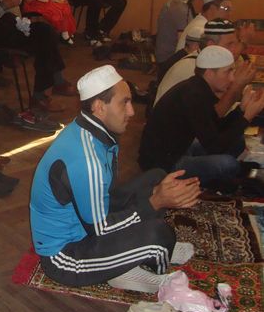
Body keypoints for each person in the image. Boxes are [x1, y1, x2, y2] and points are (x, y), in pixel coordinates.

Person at [30, 65, 201, 292]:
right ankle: (127, 267)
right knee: (159, 234)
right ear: (99, 107)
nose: (131, 111)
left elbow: (103, 199)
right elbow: (100, 230)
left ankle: (125, 259)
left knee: (156, 178)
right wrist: (155, 202)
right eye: (124, 103)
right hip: (67, 256)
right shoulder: (86, 160)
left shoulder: (91, 130)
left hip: (86, 225)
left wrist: (154, 197)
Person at [139, 46, 264, 186]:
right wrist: (246, 118)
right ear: (209, 73)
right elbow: (215, 146)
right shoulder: (193, 95)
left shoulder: (198, 88)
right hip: (164, 165)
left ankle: (217, 176)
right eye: (228, 72)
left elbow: (216, 126)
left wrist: (241, 110)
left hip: (179, 149)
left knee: (237, 141)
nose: (232, 78)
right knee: (229, 164)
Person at [155, 19, 250, 106]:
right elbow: (215, 112)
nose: (234, 50)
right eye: (229, 44)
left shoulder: (208, 63)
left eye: (235, 44)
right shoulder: (194, 68)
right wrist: (237, 86)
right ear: (211, 45)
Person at [155, 0, 210, 70]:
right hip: (168, 59)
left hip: (166, 55)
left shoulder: (175, 2)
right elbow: (183, 41)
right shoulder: (182, 9)